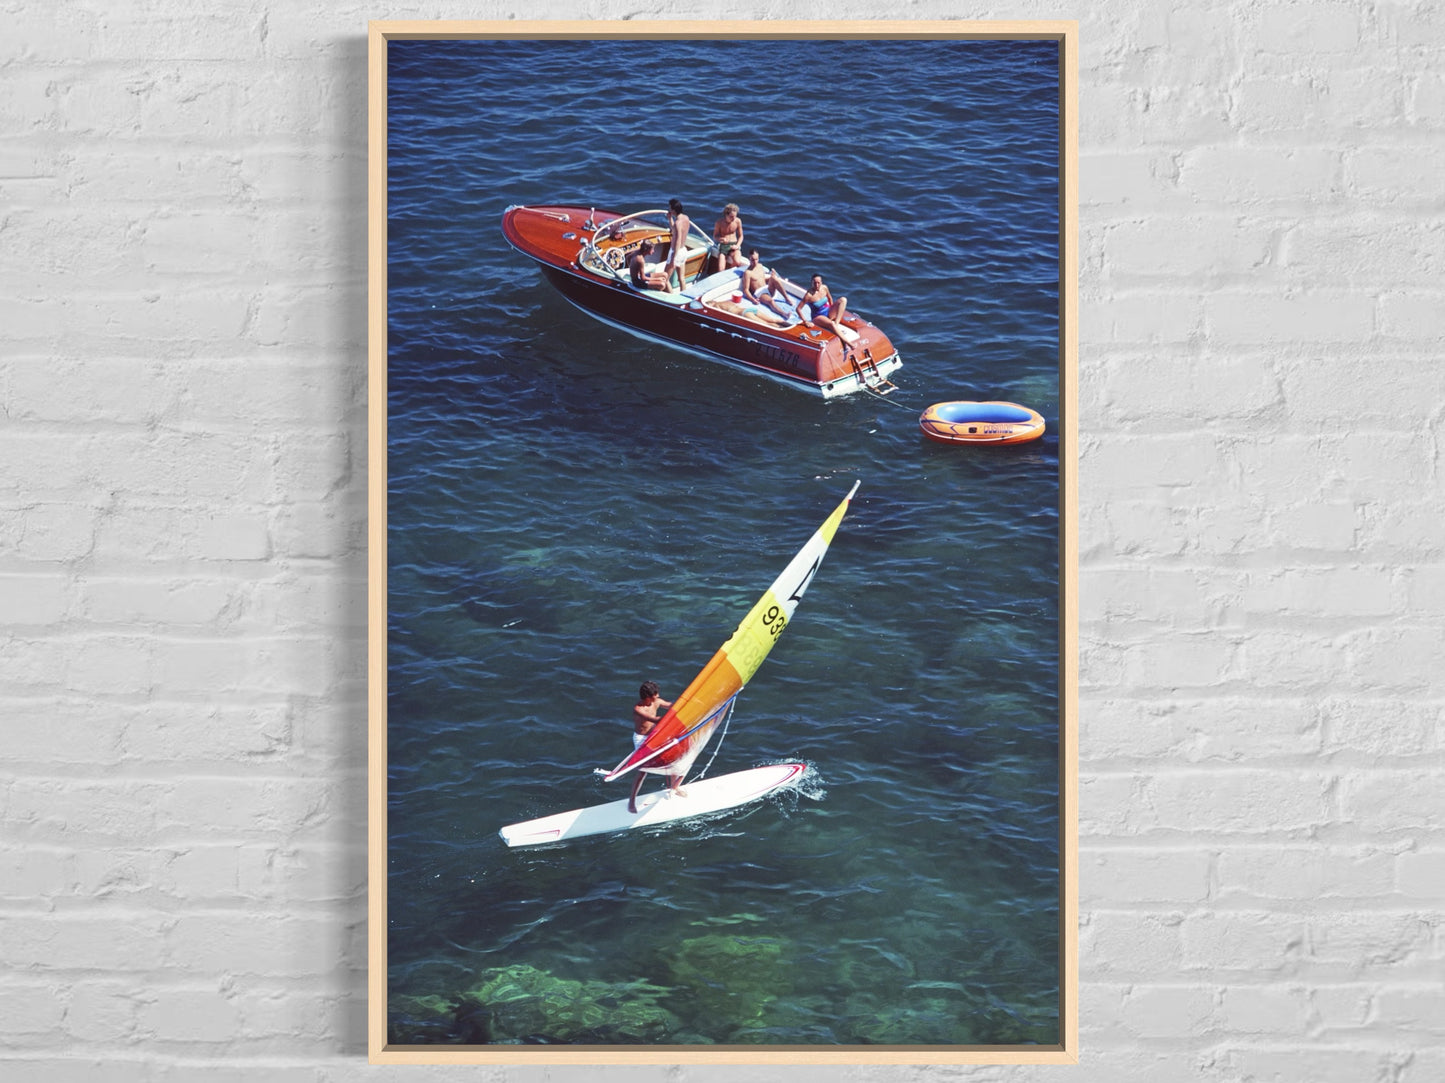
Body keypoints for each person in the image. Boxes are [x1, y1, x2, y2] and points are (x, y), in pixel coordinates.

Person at [628, 680, 685, 812]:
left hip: (655, 735)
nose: (658, 696)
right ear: (648, 696)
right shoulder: (638, 709)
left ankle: (674, 787)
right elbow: (656, 720)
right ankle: (631, 801)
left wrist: (687, 701)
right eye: (655, 694)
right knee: (643, 771)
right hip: (641, 739)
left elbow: (671, 705)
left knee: (674, 757)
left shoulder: (657, 701)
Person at [796, 273, 860, 345]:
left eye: (818, 283)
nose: (816, 285)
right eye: (814, 283)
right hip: (817, 317)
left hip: (827, 312)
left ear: (821, 282)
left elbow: (829, 298)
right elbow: (798, 309)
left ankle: (837, 323)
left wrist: (832, 309)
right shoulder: (809, 295)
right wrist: (805, 321)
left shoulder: (824, 288)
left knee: (843, 300)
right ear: (811, 283)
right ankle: (849, 343)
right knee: (831, 324)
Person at [740, 249, 794, 320]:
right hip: (759, 293)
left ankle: (787, 298)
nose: (755, 262)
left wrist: (772, 278)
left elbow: (761, 279)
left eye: (756, 259)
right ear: (749, 259)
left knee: (775, 279)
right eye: (753, 260)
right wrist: (752, 299)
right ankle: (784, 314)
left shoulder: (760, 266)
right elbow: (746, 290)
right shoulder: (747, 273)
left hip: (766, 288)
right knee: (771, 301)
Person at [664, 199, 692, 291]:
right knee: (681, 278)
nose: (669, 210)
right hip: (683, 251)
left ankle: (670, 298)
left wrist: (673, 258)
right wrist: (670, 218)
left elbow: (678, 240)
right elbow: (674, 230)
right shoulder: (686, 218)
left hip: (676, 252)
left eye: (670, 208)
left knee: (665, 279)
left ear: (673, 210)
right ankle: (684, 295)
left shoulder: (677, 223)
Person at [712, 203, 746, 271]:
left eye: (735, 216)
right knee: (721, 268)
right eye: (731, 216)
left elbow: (741, 236)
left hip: (734, 245)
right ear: (726, 214)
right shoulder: (719, 223)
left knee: (737, 262)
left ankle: (730, 272)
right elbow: (715, 236)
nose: (733, 218)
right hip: (724, 246)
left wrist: (737, 245)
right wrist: (721, 239)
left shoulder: (737, 221)